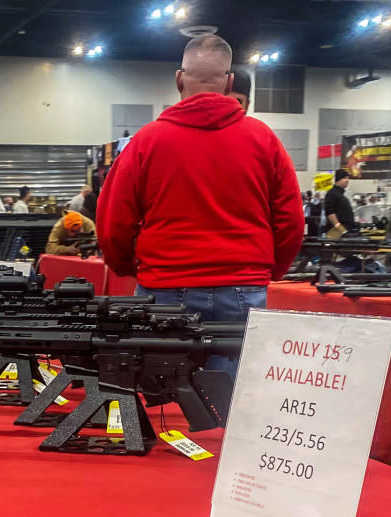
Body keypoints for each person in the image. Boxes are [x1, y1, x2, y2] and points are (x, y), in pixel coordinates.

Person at [96, 34, 303, 375]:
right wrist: (267, 271)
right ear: (230, 82)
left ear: (179, 79)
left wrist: (129, 266)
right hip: (242, 283)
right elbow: (291, 221)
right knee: (235, 398)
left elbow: (112, 220)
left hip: (164, 286)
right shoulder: (264, 139)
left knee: (162, 396)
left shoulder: (146, 141)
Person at [323, 169, 354, 238]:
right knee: (332, 247)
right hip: (335, 232)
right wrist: (341, 230)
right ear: (338, 179)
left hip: (343, 232)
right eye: (345, 178)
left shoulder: (340, 194)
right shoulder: (332, 193)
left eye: (348, 178)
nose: (347, 180)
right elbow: (330, 213)